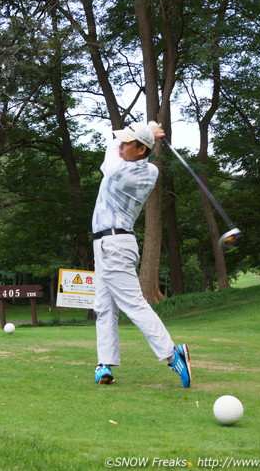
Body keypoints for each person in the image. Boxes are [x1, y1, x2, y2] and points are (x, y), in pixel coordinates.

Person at [91, 121, 192, 387]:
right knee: (104, 307)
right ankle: (104, 364)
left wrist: (148, 128)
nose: (122, 145)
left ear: (140, 149)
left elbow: (111, 148)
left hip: (113, 244)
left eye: (128, 143)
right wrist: (147, 133)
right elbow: (123, 144)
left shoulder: (119, 169)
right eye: (122, 142)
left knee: (133, 304)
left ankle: (173, 355)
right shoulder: (151, 169)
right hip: (107, 244)